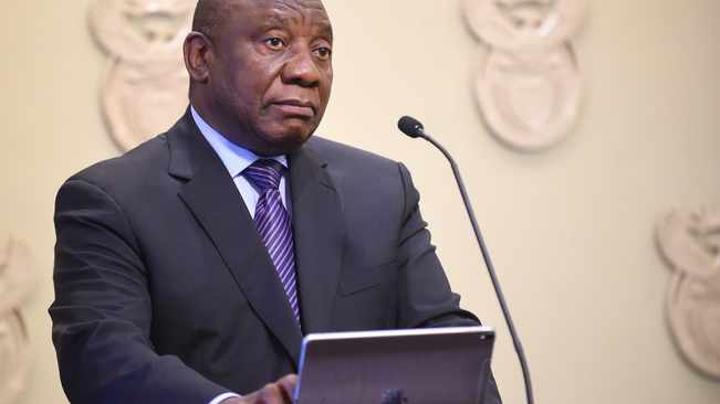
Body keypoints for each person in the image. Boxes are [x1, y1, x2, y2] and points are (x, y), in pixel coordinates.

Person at [49, 0, 502, 403]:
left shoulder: (381, 189)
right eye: (275, 42)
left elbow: (446, 343)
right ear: (200, 57)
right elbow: (101, 357)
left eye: (321, 50)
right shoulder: (112, 200)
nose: (306, 71)